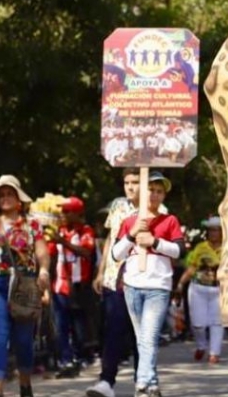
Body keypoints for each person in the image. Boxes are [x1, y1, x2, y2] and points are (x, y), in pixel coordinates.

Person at [0, 175, 51, 397]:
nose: (5, 198)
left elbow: (42, 252)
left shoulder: (32, 224)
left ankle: (25, 383)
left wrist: (43, 271)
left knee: (24, 338)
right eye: (1, 195)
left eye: (10, 194)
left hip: (24, 285)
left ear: (19, 199)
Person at [111, 171, 184, 397]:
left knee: (149, 336)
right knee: (142, 338)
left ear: (163, 196)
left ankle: (141, 383)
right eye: (150, 189)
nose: (154, 194)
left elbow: (180, 250)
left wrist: (155, 242)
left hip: (158, 286)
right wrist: (132, 235)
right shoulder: (129, 221)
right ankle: (151, 384)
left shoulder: (170, 220)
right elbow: (115, 254)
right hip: (132, 285)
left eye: (159, 191)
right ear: (142, 192)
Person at [85, 169, 141, 397]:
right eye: (127, 182)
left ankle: (144, 382)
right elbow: (110, 238)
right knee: (112, 331)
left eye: (135, 182)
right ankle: (106, 381)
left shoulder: (156, 208)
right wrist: (101, 272)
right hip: (114, 278)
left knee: (140, 334)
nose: (130, 187)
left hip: (141, 278)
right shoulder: (118, 206)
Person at [52, 196, 97, 378]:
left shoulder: (86, 231)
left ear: (77, 214)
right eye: (62, 211)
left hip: (79, 286)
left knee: (78, 324)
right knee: (60, 325)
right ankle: (65, 359)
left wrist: (64, 243)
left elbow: (87, 252)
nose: (63, 215)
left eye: (67, 211)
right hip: (60, 285)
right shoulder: (58, 231)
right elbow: (49, 252)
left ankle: (81, 355)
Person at [176, 216, 223, 364]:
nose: (214, 233)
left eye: (217, 230)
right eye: (211, 230)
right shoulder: (200, 248)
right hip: (198, 289)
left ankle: (214, 353)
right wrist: (180, 284)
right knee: (198, 324)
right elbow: (191, 268)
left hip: (219, 290)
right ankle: (201, 345)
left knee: (217, 322)